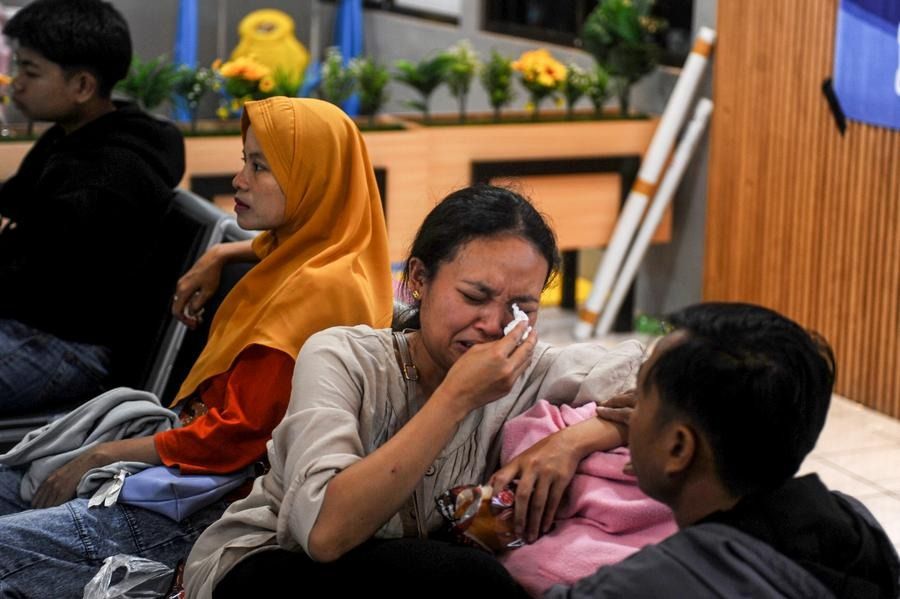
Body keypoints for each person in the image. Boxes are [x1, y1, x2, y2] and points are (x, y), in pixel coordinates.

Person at [0, 97, 394, 596]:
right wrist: (224, 251)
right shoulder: (324, 254)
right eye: (243, 160)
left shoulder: (318, 292)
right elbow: (268, 247)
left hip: (205, 502)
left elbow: (232, 440)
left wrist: (101, 453)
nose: (239, 179)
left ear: (311, 179)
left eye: (259, 166)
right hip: (189, 469)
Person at [184, 184, 645, 599]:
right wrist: (456, 398)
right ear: (420, 280)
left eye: (521, 307)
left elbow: (684, 388)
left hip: (412, 576)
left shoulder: (532, 368)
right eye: (473, 297)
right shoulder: (343, 358)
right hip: (278, 561)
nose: (492, 325)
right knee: (463, 577)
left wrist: (574, 440)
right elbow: (325, 534)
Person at [546, 303, 900, 599]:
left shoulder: (650, 585)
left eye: (640, 397)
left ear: (679, 448)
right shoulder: (854, 522)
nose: (628, 415)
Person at [0, 0, 186, 414]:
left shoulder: (114, 174)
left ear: (82, 86)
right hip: (36, 320)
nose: (15, 83)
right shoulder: (73, 135)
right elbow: (17, 199)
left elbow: (42, 276)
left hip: (69, 347)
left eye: (30, 72)